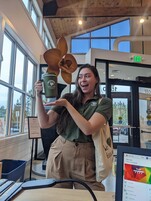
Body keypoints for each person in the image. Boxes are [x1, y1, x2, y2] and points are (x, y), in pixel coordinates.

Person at [35, 63, 112, 191]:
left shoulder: (104, 102)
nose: (83, 80)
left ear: (96, 79)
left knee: (92, 194)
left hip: (86, 156)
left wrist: (67, 105)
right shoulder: (69, 98)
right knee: (57, 195)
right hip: (60, 151)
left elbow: (88, 129)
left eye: (87, 76)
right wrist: (38, 96)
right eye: (80, 77)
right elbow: (45, 123)